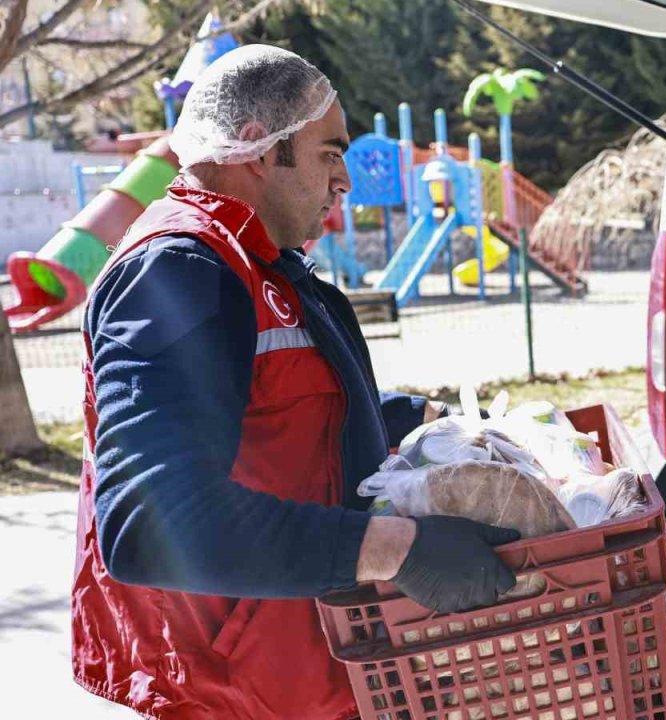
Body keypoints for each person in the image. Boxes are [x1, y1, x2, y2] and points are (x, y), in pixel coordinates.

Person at [71, 45, 518, 719]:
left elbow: (280, 403)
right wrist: (403, 551)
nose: (344, 183)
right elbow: (148, 523)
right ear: (258, 146)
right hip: (231, 691)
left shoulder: (254, 262)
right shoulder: (177, 272)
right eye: (329, 154)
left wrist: (425, 423)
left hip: (298, 677)